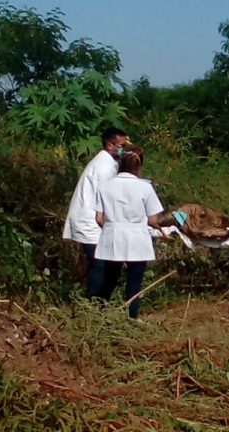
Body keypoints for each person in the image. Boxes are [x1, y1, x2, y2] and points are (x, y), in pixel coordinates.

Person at [93, 149, 164, 319]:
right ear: (138, 167)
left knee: (109, 281)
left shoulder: (104, 187)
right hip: (137, 238)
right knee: (134, 284)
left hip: (113, 236)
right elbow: (152, 219)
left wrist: (112, 228)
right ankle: (131, 319)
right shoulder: (145, 187)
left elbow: (99, 218)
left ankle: (98, 315)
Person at [63, 127, 128, 297]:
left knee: (108, 265)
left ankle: (100, 303)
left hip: (94, 220)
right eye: (121, 145)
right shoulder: (104, 167)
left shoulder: (110, 163)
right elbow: (106, 199)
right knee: (100, 264)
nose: (124, 148)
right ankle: (93, 304)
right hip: (90, 222)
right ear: (109, 145)